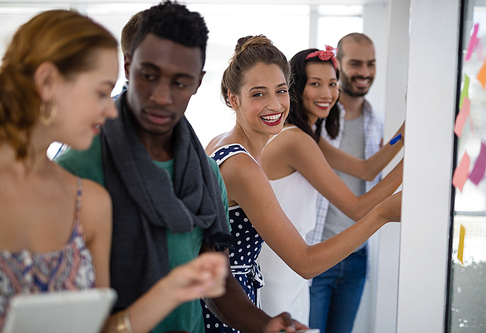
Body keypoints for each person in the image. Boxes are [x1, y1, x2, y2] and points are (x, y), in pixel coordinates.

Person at [56, 3, 306, 333]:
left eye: (180, 82)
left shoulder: (204, 172)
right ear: (129, 66)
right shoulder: (78, 167)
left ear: (198, 83)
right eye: (149, 76)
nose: (162, 96)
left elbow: (217, 279)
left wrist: (265, 325)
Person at [0, 9, 229, 333]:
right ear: (48, 82)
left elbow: (101, 329)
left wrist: (172, 288)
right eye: (100, 91)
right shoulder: (84, 175)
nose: (111, 109)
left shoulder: (87, 200)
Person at [204, 35, 402, 330]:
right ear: (233, 98)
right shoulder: (246, 165)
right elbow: (305, 262)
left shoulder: (221, 143)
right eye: (258, 94)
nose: (274, 104)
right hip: (232, 302)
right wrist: (383, 214)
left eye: (280, 91)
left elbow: (366, 169)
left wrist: (410, 132)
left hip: (233, 295)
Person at [256, 44, 404, 323]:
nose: (327, 94)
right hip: (282, 264)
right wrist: (416, 159)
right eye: (315, 84)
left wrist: (406, 135)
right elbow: (357, 209)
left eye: (332, 84)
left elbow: (366, 169)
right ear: (295, 87)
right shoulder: (297, 141)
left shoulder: (307, 135)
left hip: (286, 262)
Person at [307, 33, 385, 333]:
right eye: (355, 63)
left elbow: (371, 172)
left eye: (371, 64)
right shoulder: (318, 118)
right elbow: (366, 171)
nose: (364, 72)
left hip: (356, 257)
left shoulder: (376, 121)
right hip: (317, 253)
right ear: (337, 65)